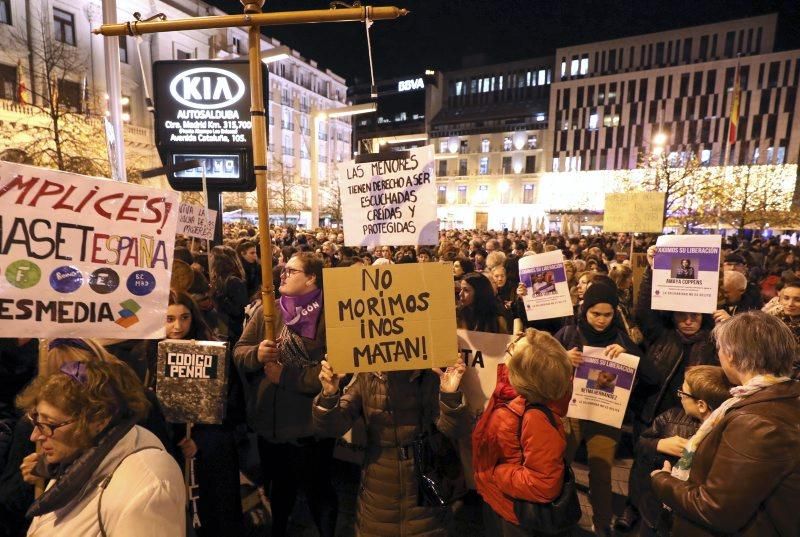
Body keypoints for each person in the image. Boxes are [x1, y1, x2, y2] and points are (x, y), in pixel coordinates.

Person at [651, 311, 800, 537]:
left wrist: (662, 481)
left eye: (719, 348)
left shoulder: (757, 422)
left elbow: (715, 509)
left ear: (730, 354)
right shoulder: (779, 397)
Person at [233, 252, 338, 537]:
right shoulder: (270, 310)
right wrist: (256, 354)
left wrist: (288, 377)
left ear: (312, 277)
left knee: (318, 492)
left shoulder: (332, 316)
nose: (283, 274)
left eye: (291, 271)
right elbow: (239, 351)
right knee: (279, 493)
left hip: (310, 428)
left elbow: (336, 369)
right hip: (272, 428)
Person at [18, 359, 185, 536]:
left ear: (98, 420)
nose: (35, 436)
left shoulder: (147, 487)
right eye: (36, 420)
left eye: (49, 424)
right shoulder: (75, 460)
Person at [313, 356, 468, 536]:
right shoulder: (367, 374)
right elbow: (332, 427)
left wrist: (450, 395)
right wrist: (329, 395)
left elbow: (456, 430)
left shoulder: (433, 372)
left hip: (426, 490)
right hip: (377, 496)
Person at [554, 282, 642, 536]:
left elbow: (649, 374)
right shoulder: (568, 333)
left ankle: (602, 523)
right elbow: (544, 366)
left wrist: (629, 355)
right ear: (585, 311)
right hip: (571, 413)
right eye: (596, 314)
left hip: (604, 415)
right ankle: (556, 513)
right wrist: (562, 358)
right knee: (559, 464)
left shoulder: (621, 339)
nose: (602, 320)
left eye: (608, 314)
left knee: (602, 471)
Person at [472, 329, 574, 537]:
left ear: (525, 375)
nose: (508, 348)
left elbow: (543, 484)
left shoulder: (534, 417)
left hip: (514, 514)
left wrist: (497, 473)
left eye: (512, 351)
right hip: (498, 499)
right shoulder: (516, 392)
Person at [162, 290, 245, 537]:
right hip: (168, 448)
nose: (178, 326)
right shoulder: (146, 353)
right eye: (169, 319)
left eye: (184, 317)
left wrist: (201, 440)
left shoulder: (212, 350)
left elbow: (231, 403)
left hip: (210, 448)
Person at [631, 366, 731, 536]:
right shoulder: (671, 417)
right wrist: (658, 444)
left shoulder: (725, 436)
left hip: (686, 520)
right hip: (653, 510)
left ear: (701, 405)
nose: (680, 396)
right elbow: (640, 445)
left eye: (683, 393)